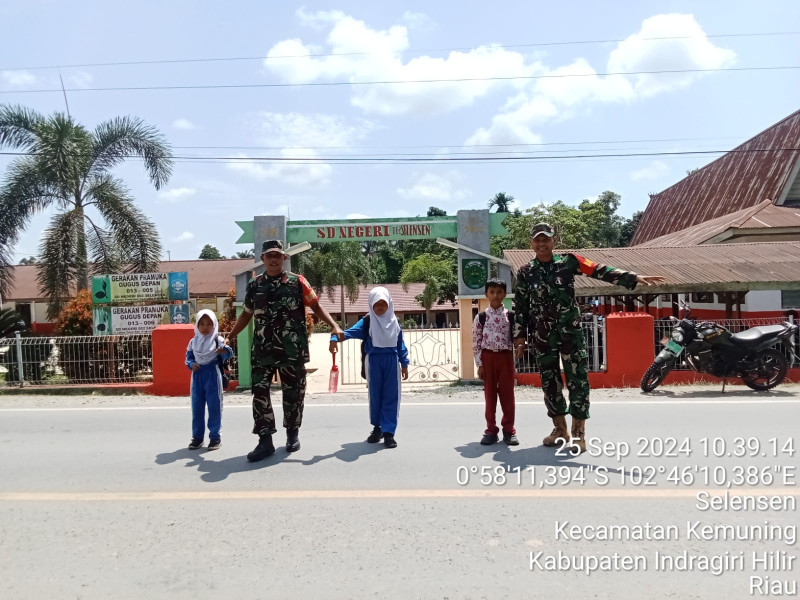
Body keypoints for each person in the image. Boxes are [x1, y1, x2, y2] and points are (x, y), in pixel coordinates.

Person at [513, 223, 665, 454]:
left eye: (546, 239)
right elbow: (521, 306)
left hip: (570, 333)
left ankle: (578, 434)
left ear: (555, 241)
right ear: (531, 243)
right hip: (542, 336)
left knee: (578, 381)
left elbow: (599, 269)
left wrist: (632, 277)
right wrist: (519, 336)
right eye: (537, 240)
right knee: (549, 382)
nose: (542, 244)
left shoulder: (569, 262)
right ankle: (559, 430)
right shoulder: (525, 272)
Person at [226, 240, 344, 462]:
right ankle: (265, 440)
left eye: (277, 256)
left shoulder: (297, 282)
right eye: (269, 255)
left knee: (294, 393)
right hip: (263, 350)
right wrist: (229, 337)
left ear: (284, 259)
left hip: (292, 349)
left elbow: (316, 305)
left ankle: (292, 433)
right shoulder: (254, 285)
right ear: (262, 259)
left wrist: (333, 325)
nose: (273, 259)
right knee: (260, 394)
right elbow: (246, 314)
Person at [328, 287, 409, 448]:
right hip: (374, 361)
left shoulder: (395, 322)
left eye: (383, 304)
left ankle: (389, 432)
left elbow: (401, 345)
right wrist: (333, 338)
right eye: (376, 304)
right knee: (375, 395)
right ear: (371, 304)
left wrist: (404, 363)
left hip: (392, 362)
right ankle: (377, 428)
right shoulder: (367, 322)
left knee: (391, 396)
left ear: (389, 304)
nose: (380, 307)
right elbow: (348, 333)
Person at [473, 278, 518, 446]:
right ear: (486, 294)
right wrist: (480, 364)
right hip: (488, 358)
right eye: (492, 292)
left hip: (505, 357)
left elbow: (518, 337)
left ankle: (509, 430)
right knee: (490, 396)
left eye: (499, 292)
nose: (496, 295)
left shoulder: (511, 316)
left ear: (505, 294)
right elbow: (476, 341)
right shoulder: (481, 317)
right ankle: (491, 430)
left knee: (508, 396)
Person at [186, 309, 233, 451]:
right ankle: (197, 438)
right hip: (197, 376)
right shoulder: (193, 341)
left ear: (214, 325)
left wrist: (223, 350)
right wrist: (191, 364)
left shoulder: (217, 340)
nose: (205, 327)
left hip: (212, 374)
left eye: (209, 324)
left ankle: (215, 437)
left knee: (214, 407)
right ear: (197, 326)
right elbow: (188, 357)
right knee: (197, 408)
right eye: (202, 324)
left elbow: (229, 353)